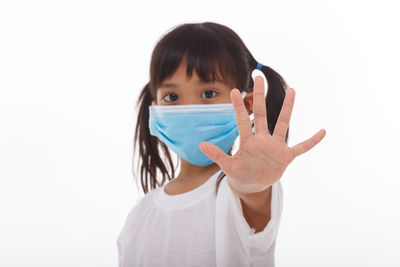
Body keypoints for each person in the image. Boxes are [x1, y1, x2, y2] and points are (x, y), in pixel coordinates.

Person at [116, 21, 326, 267]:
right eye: (172, 97)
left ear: (246, 105)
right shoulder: (138, 217)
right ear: (156, 109)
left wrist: (255, 187)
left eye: (208, 93)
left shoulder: (239, 192)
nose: (189, 108)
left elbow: (253, 201)